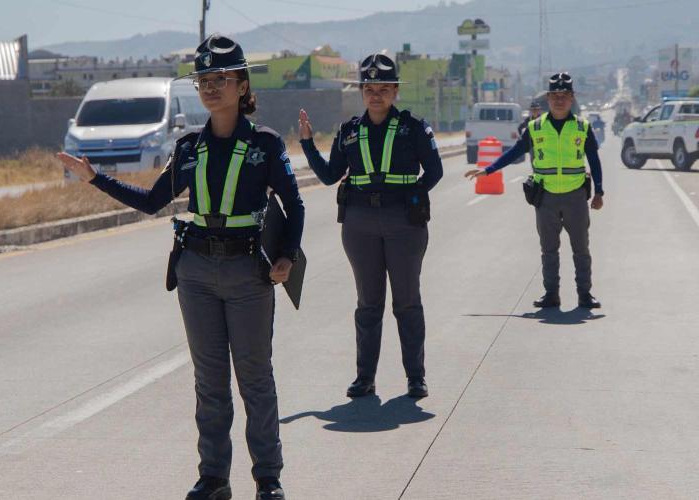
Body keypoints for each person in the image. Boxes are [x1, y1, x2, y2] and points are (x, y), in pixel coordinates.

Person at [57, 34, 303, 500]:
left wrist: (287, 256)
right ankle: (214, 477)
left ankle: (267, 477)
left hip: (250, 273)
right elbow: (152, 202)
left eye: (220, 79)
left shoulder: (266, 145)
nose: (211, 87)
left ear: (242, 84)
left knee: (255, 379)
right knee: (209, 383)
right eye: (203, 79)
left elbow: (295, 206)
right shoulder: (189, 147)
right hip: (195, 272)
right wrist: (96, 179)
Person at [297, 53, 443, 399]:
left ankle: (416, 378)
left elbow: (434, 172)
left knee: (407, 301)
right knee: (368, 304)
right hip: (360, 225)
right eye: (369, 88)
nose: (375, 94)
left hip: (404, 224)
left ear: (395, 91)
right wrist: (306, 142)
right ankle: (365, 379)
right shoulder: (349, 131)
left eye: (383, 88)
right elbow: (330, 176)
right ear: (361, 91)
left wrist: (413, 195)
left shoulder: (413, 128)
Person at [465, 72, 603, 310]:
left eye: (565, 95)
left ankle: (585, 294)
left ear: (572, 98)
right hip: (546, 197)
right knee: (549, 250)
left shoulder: (583, 127)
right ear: (548, 98)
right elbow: (515, 152)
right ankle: (551, 294)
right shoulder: (535, 127)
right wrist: (488, 170)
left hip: (575, 197)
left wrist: (599, 191)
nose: (559, 100)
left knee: (581, 248)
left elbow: (594, 159)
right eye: (555, 95)